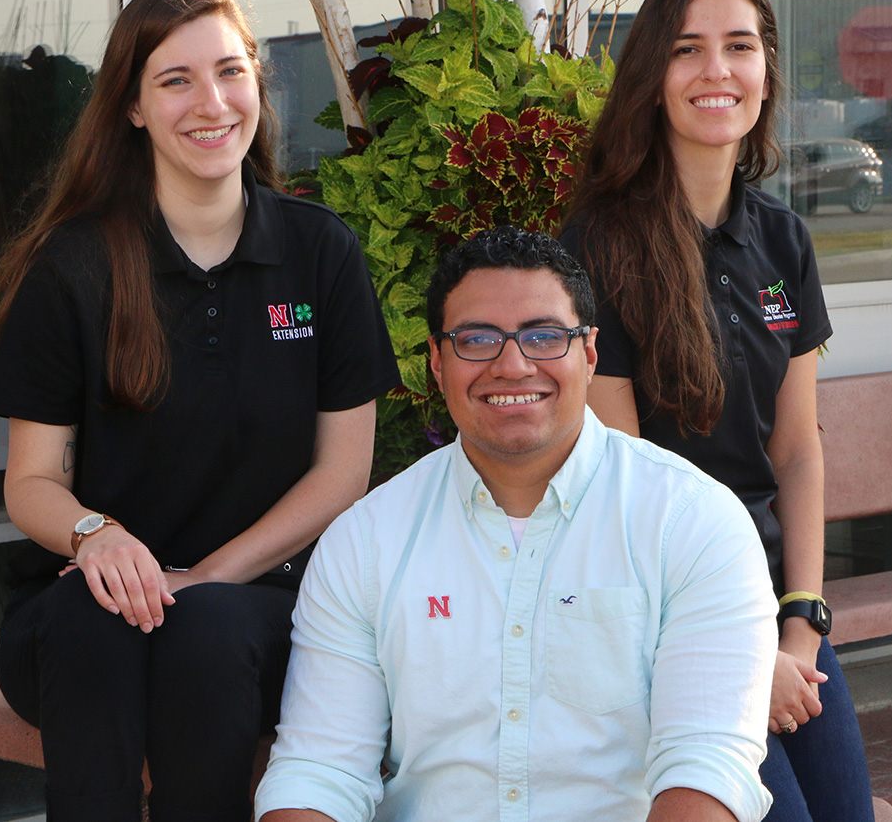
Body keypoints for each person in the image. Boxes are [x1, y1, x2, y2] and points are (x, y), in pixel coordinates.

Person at [0, 0, 400, 822]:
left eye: (231, 72)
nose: (211, 103)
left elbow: (343, 471)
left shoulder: (320, 253)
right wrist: (98, 540)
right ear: (132, 107)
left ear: (256, 84)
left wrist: (205, 579)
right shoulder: (75, 267)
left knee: (203, 637)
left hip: (263, 607)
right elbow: (32, 482)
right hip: (83, 607)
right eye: (175, 80)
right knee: (97, 624)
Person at [255, 226, 777, 822]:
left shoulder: (690, 521)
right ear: (436, 359)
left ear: (590, 352)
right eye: (476, 339)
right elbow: (320, 770)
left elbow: (706, 766)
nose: (512, 365)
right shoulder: (367, 539)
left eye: (545, 336)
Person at [560, 0, 874, 822]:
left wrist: (802, 620)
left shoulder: (784, 240)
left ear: (766, 71)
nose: (716, 71)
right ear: (653, 77)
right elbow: (619, 482)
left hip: (781, 610)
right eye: (688, 49)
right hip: (673, 616)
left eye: (739, 46)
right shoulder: (597, 245)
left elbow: (798, 448)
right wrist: (747, 647)